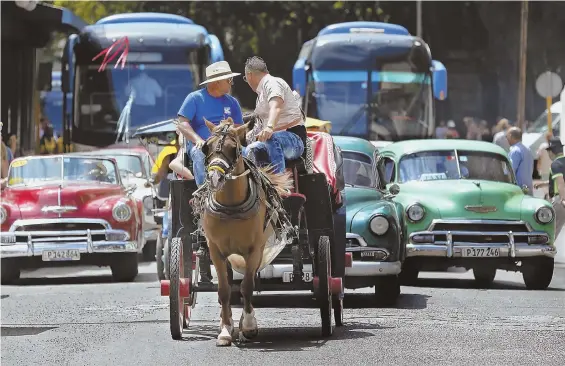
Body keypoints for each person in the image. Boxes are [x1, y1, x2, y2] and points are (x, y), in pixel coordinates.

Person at [175, 60, 243, 186]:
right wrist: (197, 140)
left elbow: (238, 128)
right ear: (217, 82)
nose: (232, 83)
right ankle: (205, 192)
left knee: (248, 153)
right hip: (202, 145)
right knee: (200, 155)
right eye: (229, 80)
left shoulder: (233, 102)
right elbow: (182, 123)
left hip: (227, 145)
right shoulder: (194, 98)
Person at [241, 56, 306, 173]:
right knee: (244, 150)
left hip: (294, 140)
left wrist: (269, 127)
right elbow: (259, 126)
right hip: (271, 140)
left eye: (245, 78)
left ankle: (278, 184)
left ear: (249, 75)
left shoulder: (272, 83)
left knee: (271, 138)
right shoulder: (260, 96)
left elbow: (276, 107)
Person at [535, 137, 565, 237]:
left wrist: (563, 199)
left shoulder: (555, 164)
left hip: (559, 200)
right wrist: (543, 183)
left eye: (548, 151)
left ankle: (546, 250)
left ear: (552, 151)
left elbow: (560, 183)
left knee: (551, 231)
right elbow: (557, 180)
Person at [507, 126, 534, 195]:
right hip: (528, 188)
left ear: (510, 136)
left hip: (518, 190)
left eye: (506, 136)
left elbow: (510, 171)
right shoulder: (528, 149)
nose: (506, 139)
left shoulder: (515, 151)